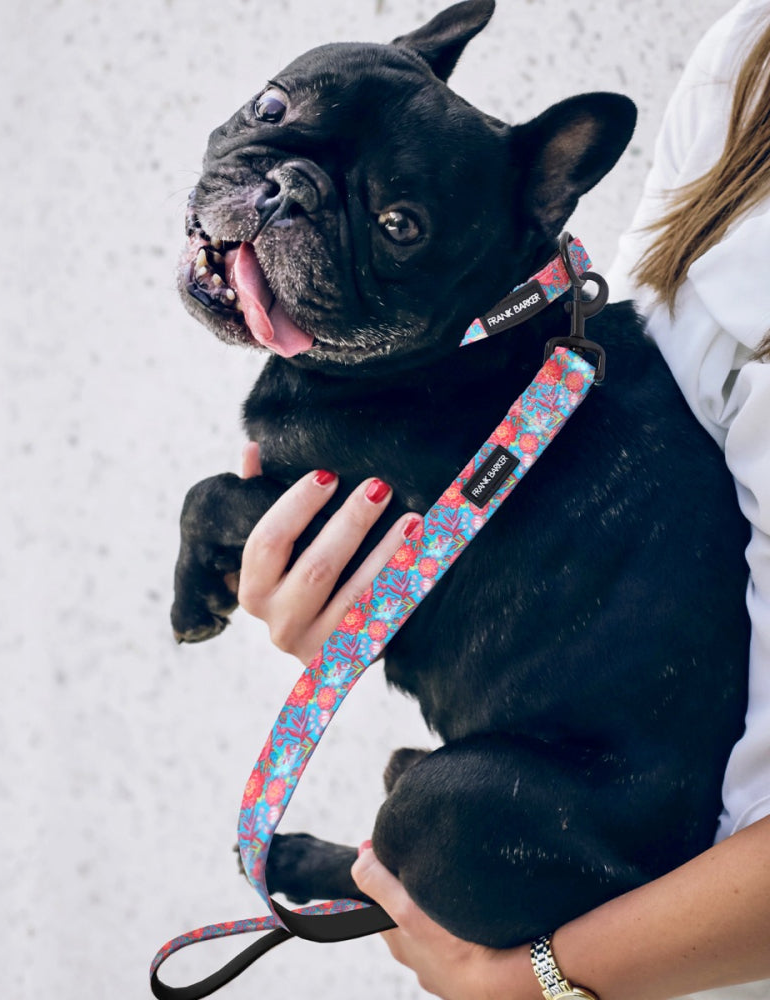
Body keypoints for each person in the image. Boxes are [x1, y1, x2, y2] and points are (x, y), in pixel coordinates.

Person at [235, 1, 770, 997]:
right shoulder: (748, 60)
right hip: (599, 762)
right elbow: (607, 398)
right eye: (273, 116)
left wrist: (532, 981)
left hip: (662, 922)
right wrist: (372, 599)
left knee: (435, 826)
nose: (285, 194)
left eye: (392, 221)